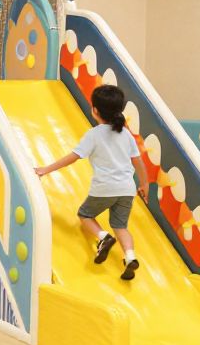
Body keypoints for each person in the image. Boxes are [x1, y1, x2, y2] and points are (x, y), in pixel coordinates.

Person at [34, 85, 148, 281]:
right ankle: (130, 257)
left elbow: (73, 157)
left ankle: (103, 237)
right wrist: (145, 184)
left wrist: (46, 169)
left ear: (95, 110)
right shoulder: (126, 134)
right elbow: (138, 161)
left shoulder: (94, 134)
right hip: (126, 190)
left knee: (85, 214)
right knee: (121, 226)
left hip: (104, 187)